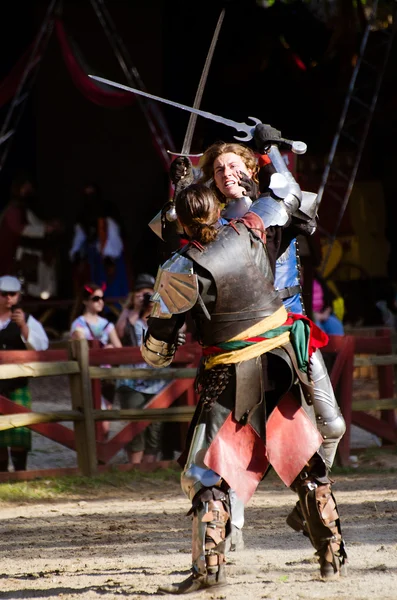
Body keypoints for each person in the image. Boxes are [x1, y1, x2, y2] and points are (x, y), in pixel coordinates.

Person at [142, 183, 347, 593]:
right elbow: (294, 198)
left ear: (182, 221)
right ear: (218, 209)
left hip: (230, 373)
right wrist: (270, 150)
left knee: (205, 472)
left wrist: (163, 340)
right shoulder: (250, 230)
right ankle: (331, 555)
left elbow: (158, 352)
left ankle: (209, 570)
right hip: (281, 363)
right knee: (303, 457)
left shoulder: (180, 268)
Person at [167, 131, 346, 547]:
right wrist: (181, 185)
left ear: (250, 169)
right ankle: (230, 532)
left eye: (234, 165)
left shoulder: (272, 207)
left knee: (332, 423)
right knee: (232, 443)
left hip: (288, 332)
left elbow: (300, 204)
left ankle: (309, 507)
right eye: (217, 169)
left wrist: (271, 155)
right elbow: (175, 230)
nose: (226, 173)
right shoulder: (213, 222)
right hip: (236, 341)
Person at [115, 273, 167, 464]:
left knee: (155, 428)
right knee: (135, 425)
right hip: (132, 380)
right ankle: (135, 468)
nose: (145, 297)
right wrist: (133, 309)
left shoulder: (162, 312)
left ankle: (149, 469)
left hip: (158, 381)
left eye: (148, 292)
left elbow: (181, 329)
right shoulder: (130, 315)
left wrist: (159, 306)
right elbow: (119, 334)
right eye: (140, 293)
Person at [0, 275, 49, 471]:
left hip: (18, 382)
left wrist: (24, 328)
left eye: (12, 294)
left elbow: (42, 347)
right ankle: (2, 476)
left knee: (20, 432)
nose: (8, 298)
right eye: (3, 294)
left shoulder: (27, 319)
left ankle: (20, 473)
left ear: (18, 296)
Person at [70, 282, 122, 436]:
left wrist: (112, 350)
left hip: (107, 376)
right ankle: (98, 453)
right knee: (96, 419)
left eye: (102, 298)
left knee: (105, 418)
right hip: (88, 375)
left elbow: (120, 349)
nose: (100, 302)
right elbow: (79, 347)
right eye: (96, 298)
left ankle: (101, 453)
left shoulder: (107, 325)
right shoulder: (78, 324)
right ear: (85, 301)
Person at [0, 174, 62, 298]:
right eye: (25, 188)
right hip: (14, 255)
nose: (28, 191)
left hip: (29, 252)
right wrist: (45, 229)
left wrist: (50, 227)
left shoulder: (24, 209)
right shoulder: (13, 210)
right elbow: (21, 228)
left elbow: (36, 223)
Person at [69, 183, 131, 300]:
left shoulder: (108, 217)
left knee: (113, 289)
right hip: (93, 261)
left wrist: (109, 257)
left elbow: (114, 238)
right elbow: (79, 240)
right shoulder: (83, 218)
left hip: (110, 259)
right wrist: (76, 255)